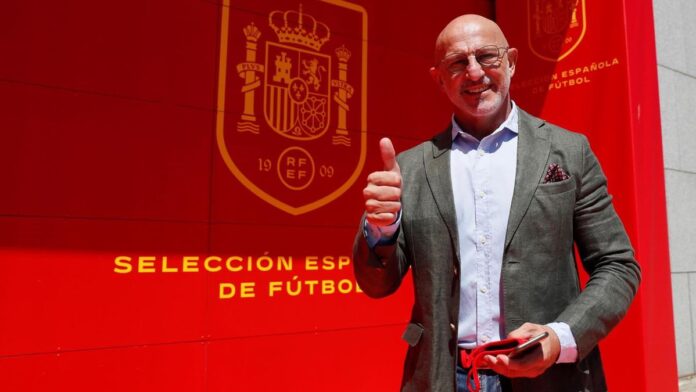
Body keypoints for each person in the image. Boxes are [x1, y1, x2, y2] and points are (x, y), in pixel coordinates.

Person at [352, 14, 640, 392]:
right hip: (441, 378)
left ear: (512, 61)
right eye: (457, 62)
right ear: (439, 78)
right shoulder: (411, 168)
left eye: (487, 56)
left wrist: (559, 339)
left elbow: (617, 265)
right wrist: (381, 229)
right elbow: (376, 284)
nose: (474, 73)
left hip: (550, 378)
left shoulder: (569, 152)